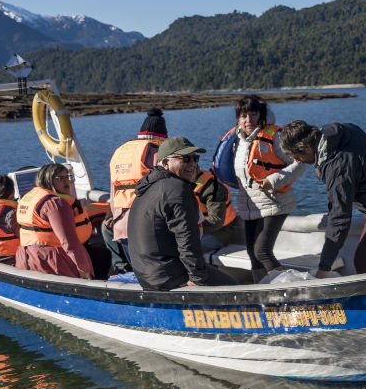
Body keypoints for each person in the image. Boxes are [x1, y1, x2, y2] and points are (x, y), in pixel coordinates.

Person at [278, 120, 366, 277]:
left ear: (306, 147)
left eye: (296, 156)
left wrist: (323, 268)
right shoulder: (339, 131)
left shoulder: (337, 167)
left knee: (365, 261)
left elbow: (339, 217)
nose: (296, 161)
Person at [212, 96, 305, 282]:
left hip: (274, 202)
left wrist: (273, 180)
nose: (249, 120)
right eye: (244, 116)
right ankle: (261, 291)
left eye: (253, 114)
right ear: (238, 118)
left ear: (260, 115)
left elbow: (299, 163)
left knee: (261, 250)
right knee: (252, 254)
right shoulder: (236, 142)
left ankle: (292, 287)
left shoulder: (274, 137)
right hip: (249, 206)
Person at [127, 136, 237, 290]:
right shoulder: (177, 189)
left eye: (195, 158)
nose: (193, 164)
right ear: (165, 163)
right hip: (168, 276)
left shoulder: (148, 188)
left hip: (148, 276)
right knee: (234, 287)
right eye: (185, 159)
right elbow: (187, 240)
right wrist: (199, 279)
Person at [104, 108, 168, 274]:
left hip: (122, 223)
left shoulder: (119, 152)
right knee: (153, 273)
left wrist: (111, 216)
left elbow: (114, 191)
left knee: (137, 269)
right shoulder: (158, 152)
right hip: (148, 225)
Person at [16, 163, 95, 279]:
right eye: (61, 178)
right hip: (50, 261)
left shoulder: (28, 198)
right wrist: (84, 270)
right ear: (48, 179)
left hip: (26, 257)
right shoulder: (55, 204)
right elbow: (69, 242)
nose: (67, 182)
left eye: (67, 177)